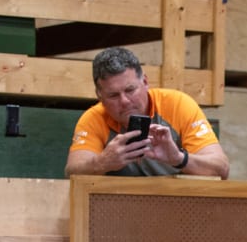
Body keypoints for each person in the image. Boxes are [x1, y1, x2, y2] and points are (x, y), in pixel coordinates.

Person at [64, 47, 229, 179]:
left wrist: (178, 158)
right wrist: (102, 163)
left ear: (145, 82)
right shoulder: (93, 118)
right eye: (113, 95)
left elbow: (221, 169)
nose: (125, 101)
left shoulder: (178, 105)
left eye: (130, 90)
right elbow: (71, 173)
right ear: (99, 96)